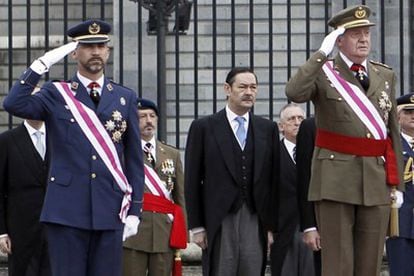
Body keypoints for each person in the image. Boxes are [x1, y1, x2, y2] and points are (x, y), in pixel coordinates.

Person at [3, 19, 144, 276]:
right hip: (66, 210)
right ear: (74, 52)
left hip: (109, 207)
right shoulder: (57, 93)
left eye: (101, 45)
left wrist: (134, 209)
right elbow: (14, 104)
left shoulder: (124, 97)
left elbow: (134, 160)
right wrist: (42, 64)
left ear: (108, 51)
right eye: (88, 46)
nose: (96, 52)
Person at [285, 5, 404, 276]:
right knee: (338, 264)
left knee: (369, 264)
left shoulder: (384, 74)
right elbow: (294, 91)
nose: (363, 39)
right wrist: (320, 54)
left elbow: (392, 132)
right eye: (355, 34)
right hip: (335, 179)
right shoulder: (324, 71)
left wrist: (396, 183)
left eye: (367, 33)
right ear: (339, 39)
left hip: (375, 179)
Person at [185, 67, 280, 276]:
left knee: (252, 268)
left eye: (253, 87)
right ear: (227, 89)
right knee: (222, 269)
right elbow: (191, 180)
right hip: (219, 218)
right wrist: (197, 226)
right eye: (243, 87)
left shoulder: (268, 128)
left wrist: (271, 226)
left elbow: (273, 180)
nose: (249, 92)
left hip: (255, 218)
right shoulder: (204, 127)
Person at [123, 98, 187, 276]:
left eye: (152, 116)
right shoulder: (123, 152)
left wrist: (182, 233)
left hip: (163, 232)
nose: (148, 121)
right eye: (142, 116)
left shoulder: (171, 154)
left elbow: (180, 195)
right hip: (133, 232)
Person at [0, 117, 51, 276]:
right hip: (20, 232)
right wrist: (2, 232)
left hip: (53, 229)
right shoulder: (7, 140)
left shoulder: (57, 137)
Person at [270, 103, 315, 276]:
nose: (297, 123)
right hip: (283, 230)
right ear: (281, 126)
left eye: (301, 118)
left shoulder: (317, 153)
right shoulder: (272, 154)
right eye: (291, 119)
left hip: (312, 228)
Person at [386, 93, 414, 276]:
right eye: (409, 111)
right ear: (397, 115)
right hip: (402, 223)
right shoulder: (390, 143)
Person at [295, 117, 321, 276]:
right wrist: (310, 225)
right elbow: (304, 178)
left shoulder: (366, 120)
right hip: (325, 217)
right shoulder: (311, 126)